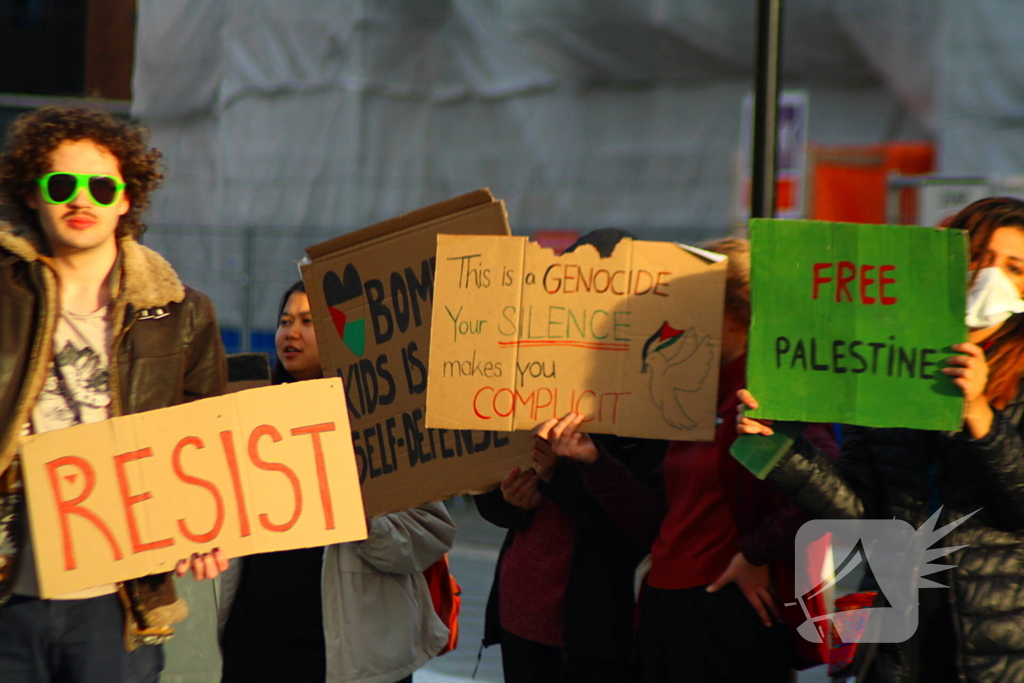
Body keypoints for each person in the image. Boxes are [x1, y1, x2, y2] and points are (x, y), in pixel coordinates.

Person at [738, 197, 1024, 682]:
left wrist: (979, 413)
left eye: (1014, 267)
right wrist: (785, 450)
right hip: (899, 637)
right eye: (977, 257)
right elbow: (862, 512)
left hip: (996, 646)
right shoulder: (885, 362)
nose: (989, 276)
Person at [540, 237, 839, 682]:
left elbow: (829, 487)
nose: (675, 319)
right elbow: (661, 524)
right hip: (668, 611)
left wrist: (756, 553)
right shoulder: (696, 393)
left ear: (737, 313)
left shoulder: (768, 393)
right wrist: (594, 462)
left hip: (729, 620)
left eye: (692, 302)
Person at [0, 106, 229, 682]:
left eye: (101, 186)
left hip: (119, 600)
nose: (82, 200)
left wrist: (208, 525)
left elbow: (210, 440)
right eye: (62, 184)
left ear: (126, 199)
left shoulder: (181, 312)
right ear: (33, 194)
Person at [219, 280, 456, 683]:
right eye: (285, 320)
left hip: (352, 659)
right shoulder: (246, 411)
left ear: (345, 335)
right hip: (254, 648)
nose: (291, 332)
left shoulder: (384, 422)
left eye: (309, 322)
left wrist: (355, 516)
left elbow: (428, 537)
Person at [476, 229, 663, 683]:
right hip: (522, 608)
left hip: (598, 625)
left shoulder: (657, 396)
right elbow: (488, 490)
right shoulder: (535, 366)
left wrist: (563, 473)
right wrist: (512, 501)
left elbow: (637, 526)